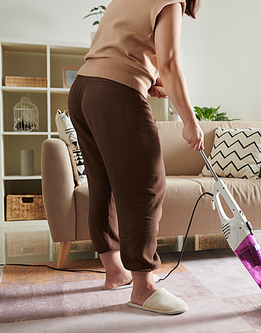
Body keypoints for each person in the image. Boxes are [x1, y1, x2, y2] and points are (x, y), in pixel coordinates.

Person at [68, 0, 204, 315]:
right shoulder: (171, 2)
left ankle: (115, 271)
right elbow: (169, 62)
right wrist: (190, 121)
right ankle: (143, 287)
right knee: (147, 184)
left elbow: (122, 46)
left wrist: (148, 77)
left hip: (83, 89)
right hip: (116, 93)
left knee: (104, 184)